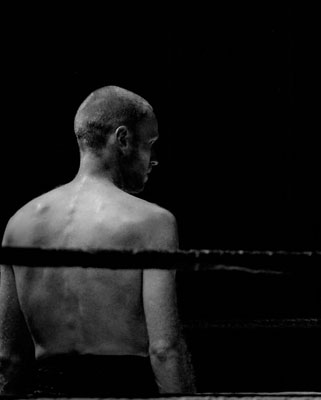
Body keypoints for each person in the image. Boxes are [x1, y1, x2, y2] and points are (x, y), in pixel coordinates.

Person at [0, 86, 196, 396]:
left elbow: (9, 359)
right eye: (150, 144)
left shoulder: (18, 223)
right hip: (121, 392)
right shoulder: (152, 222)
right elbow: (164, 349)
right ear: (122, 139)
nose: (154, 160)